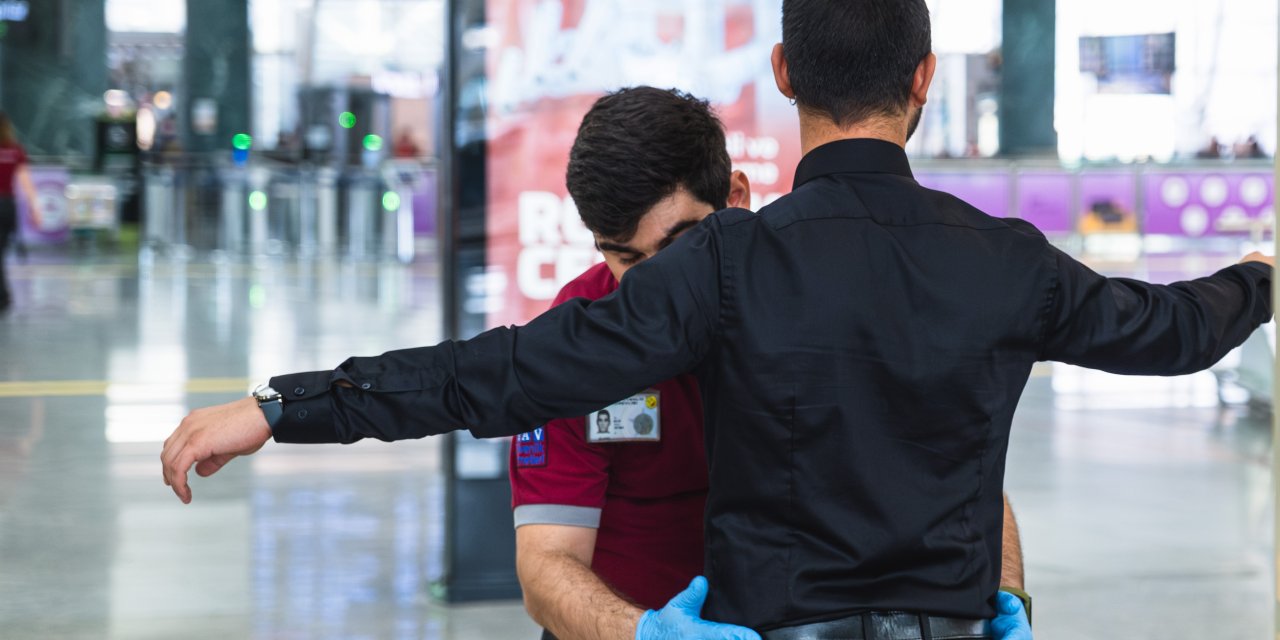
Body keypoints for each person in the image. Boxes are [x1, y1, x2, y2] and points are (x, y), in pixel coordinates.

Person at [161, 1, 1271, 637]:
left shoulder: (728, 268)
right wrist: (1263, 272)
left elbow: (491, 376)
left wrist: (281, 409)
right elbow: (1176, 330)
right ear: (925, 78)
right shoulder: (1005, 262)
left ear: (782, 70)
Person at [511, 87, 1029, 640]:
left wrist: (1007, 594)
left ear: (736, 198)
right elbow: (546, 565)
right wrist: (648, 632)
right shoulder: (578, 335)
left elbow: (956, 473)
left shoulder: (831, 296)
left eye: (680, 245)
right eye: (626, 258)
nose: (658, 288)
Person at [0, 112, 41, 312]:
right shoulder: (16, 151)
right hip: (8, 205)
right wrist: (36, 208)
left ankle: (4, 295)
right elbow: (26, 183)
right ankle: (5, 295)